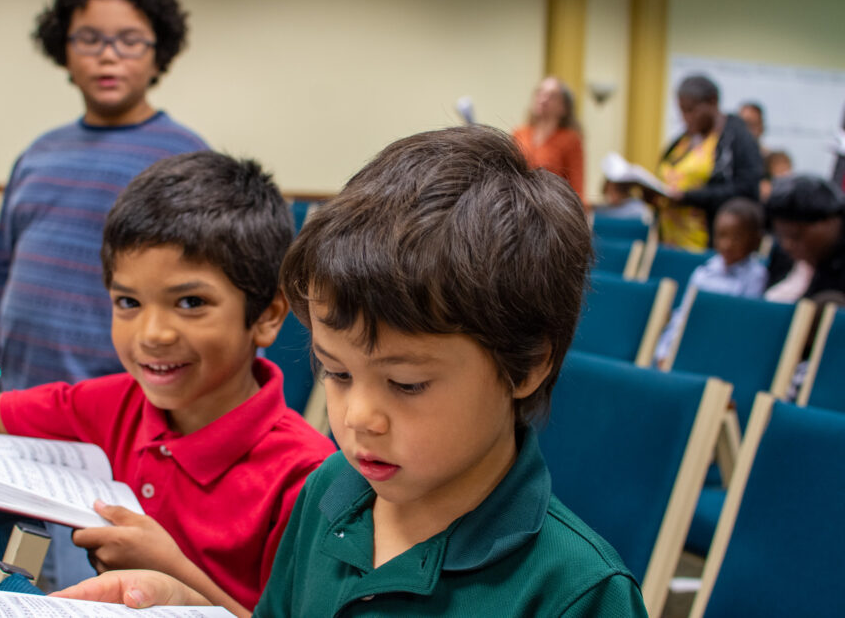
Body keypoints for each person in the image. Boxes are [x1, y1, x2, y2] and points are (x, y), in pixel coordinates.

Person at [54, 126, 648, 616]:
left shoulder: (578, 592)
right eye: (336, 374)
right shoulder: (331, 490)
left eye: (406, 383)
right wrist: (180, 600)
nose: (358, 418)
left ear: (526, 365)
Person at [0, 151, 337, 614]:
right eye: (128, 302)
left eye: (190, 303)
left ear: (269, 315)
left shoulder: (308, 480)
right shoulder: (116, 404)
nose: (152, 334)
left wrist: (169, 572)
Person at [0, 0, 210, 586]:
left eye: (129, 41)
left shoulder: (183, 161)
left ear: (158, 53)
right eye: (89, 39)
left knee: (85, 587)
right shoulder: (38, 154)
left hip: (115, 435)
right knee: (0, 576)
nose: (107, 56)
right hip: (20, 415)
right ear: (64, 50)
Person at [653, 198, 768, 365]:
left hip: (722, 353)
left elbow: (743, 325)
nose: (727, 244)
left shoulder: (757, 276)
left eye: (736, 238)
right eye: (721, 235)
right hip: (689, 345)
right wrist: (664, 351)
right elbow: (682, 315)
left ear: (755, 241)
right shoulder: (703, 273)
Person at [656, 75, 762, 250]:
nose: (686, 117)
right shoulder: (684, 139)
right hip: (671, 240)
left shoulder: (737, 137)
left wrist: (689, 197)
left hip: (711, 242)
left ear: (713, 102)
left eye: (692, 110)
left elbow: (747, 189)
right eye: (682, 111)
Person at [765, 175, 845, 301]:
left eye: (795, 236)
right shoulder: (785, 257)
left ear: (831, 221)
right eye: (781, 236)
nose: (787, 245)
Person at [513, 76, 585, 199]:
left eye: (552, 96)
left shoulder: (570, 139)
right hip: (518, 204)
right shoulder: (519, 133)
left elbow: (577, 186)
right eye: (540, 93)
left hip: (551, 208)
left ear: (563, 108)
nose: (543, 99)